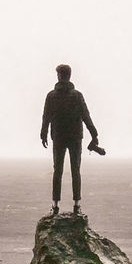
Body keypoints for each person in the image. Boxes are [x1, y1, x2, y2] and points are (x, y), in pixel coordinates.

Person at [39, 63, 103, 216]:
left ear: (59, 76)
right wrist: (94, 134)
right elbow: (86, 116)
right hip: (75, 138)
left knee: (58, 171)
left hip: (59, 137)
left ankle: (55, 206)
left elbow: (46, 117)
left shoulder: (51, 96)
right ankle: (77, 205)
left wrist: (43, 133)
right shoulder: (77, 95)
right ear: (69, 76)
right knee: (76, 171)